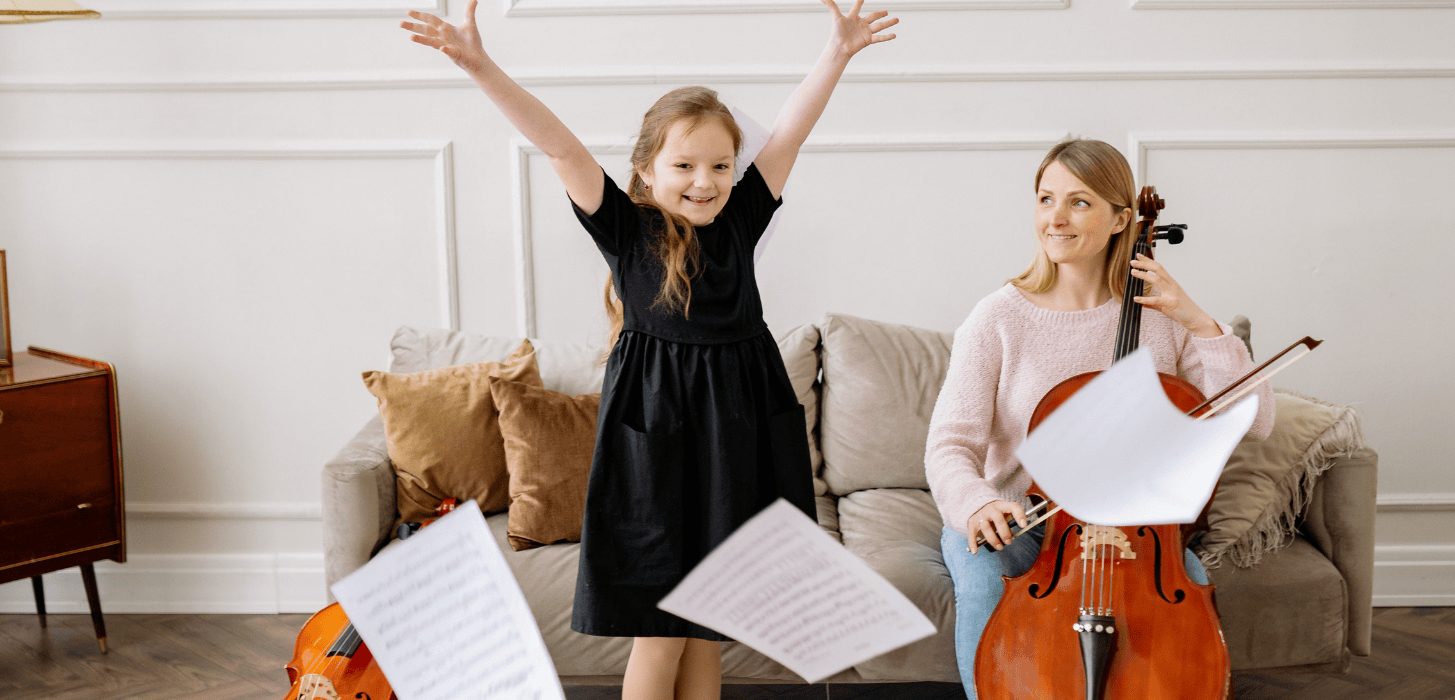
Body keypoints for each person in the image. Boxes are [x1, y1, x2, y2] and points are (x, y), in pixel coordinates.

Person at [401, 3, 896, 699]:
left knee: (708, 626)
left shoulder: (741, 221)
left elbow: (791, 130)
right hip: (656, 448)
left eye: (721, 165)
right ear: (646, 169)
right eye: (685, 164)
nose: (705, 180)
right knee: (663, 629)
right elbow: (562, 148)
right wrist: (481, 66)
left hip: (739, 440)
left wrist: (837, 54)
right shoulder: (627, 231)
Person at [923, 138, 1275, 700]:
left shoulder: (1160, 317)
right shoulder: (998, 318)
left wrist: (1198, 321)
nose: (1055, 218)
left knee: (1191, 597)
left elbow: (1255, 422)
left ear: (1122, 220)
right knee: (986, 581)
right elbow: (949, 445)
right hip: (1024, 525)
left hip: (1138, 536)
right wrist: (978, 504)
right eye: (1045, 199)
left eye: (1079, 202)